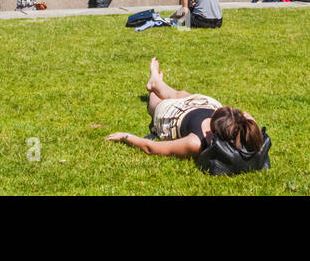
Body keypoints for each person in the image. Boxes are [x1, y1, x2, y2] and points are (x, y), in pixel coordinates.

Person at [105, 58, 269, 174]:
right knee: (180, 94)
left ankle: (154, 85)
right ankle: (157, 82)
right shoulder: (247, 129)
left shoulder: (195, 142)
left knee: (155, 102)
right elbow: (248, 119)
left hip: (174, 116)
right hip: (205, 104)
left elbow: (151, 147)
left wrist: (126, 137)